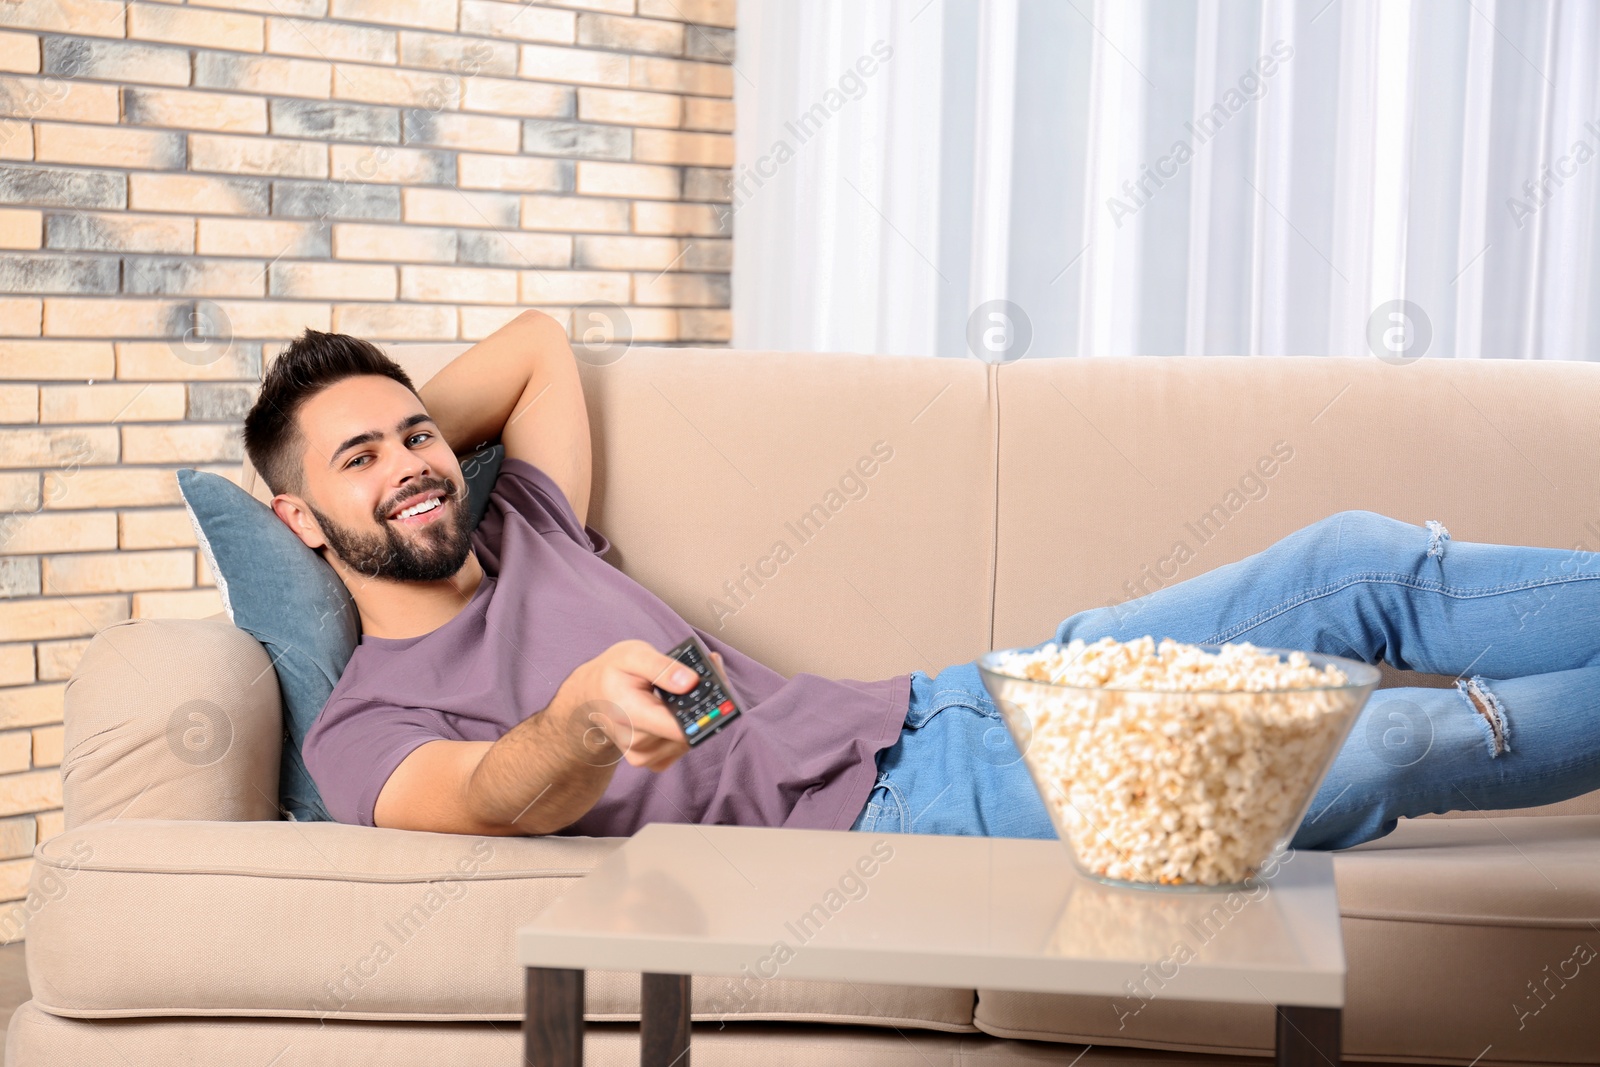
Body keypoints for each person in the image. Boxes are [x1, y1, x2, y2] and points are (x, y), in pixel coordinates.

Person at [244, 316, 1600, 851]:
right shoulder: (367, 720)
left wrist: (394, 434)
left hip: (948, 706)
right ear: (297, 517)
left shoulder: (530, 521)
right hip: (900, 816)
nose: (414, 465)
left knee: (1353, 562)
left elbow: (537, 346)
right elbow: (478, 807)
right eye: (360, 463)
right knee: (1382, 738)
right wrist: (579, 722)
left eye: (421, 434)